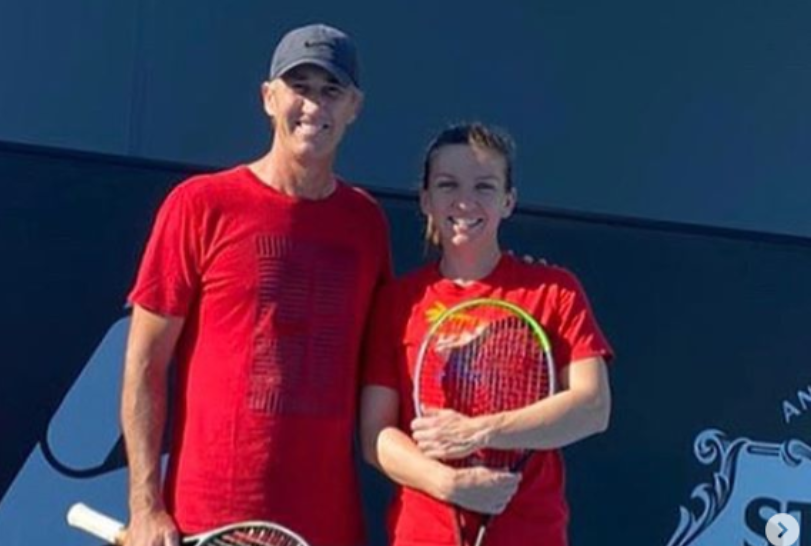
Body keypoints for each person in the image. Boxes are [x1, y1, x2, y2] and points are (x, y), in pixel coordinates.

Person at [121, 24, 392, 546]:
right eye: (299, 87)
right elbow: (144, 363)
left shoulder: (366, 223)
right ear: (269, 98)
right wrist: (145, 507)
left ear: (353, 107)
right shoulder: (200, 204)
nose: (313, 105)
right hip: (211, 522)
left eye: (330, 90)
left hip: (329, 527)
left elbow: (391, 351)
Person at [360, 122, 613, 546]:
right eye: (448, 185)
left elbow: (592, 407)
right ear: (425, 199)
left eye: (484, 186)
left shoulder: (554, 290)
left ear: (508, 201)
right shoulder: (397, 302)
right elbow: (375, 437)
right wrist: (448, 483)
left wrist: (481, 432)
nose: (465, 201)